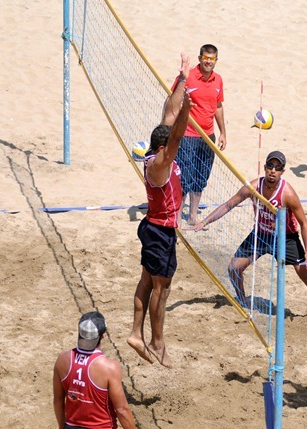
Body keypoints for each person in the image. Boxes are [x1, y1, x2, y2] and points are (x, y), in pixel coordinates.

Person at [193, 151, 307, 328]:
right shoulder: (254, 187)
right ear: (265, 168)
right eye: (270, 166)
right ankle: (243, 302)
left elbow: (304, 223)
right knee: (233, 268)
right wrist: (204, 221)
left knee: (306, 277)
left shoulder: (288, 194)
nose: (273, 170)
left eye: (277, 167)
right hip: (261, 234)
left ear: (282, 171)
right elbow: (228, 205)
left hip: (286, 238)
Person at [127, 53, 193, 368]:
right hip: (160, 232)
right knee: (161, 289)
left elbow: (169, 112)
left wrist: (181, 78)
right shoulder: (161, 164)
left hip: (153, 228)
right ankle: (156, 341)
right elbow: (177, 131)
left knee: (146, 280)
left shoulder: (156, 151)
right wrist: (189, 111)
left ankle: (136, 333)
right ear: (163, 149)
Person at [171, 44, 227, 227]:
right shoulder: (189, 77)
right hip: (188, 135)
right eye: (206, 58)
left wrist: (223, 133)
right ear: (199, 58)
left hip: (208, 137)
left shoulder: (218, 80)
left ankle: (193, 215)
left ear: (216, 61)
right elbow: (174, 100)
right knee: (184, 177)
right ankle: (178, 216)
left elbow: (218, 107)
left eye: (212, 59)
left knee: (201, 177)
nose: (209, 62)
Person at [53, 311, 136, 429]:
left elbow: (58, 400)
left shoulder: (62, 359)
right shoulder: (110, 367)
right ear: (102, 336)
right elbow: (122, 410)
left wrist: (62, 427)